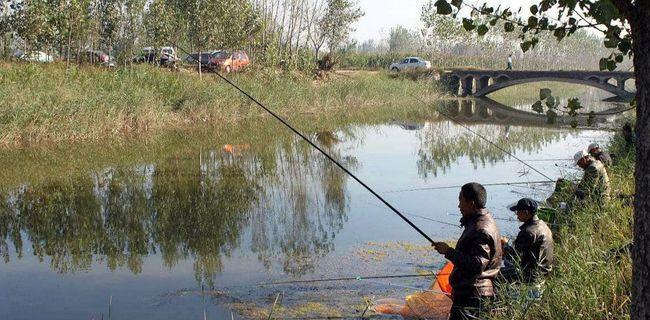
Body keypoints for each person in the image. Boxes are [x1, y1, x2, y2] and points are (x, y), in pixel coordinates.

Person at [433, 183, 502, 320]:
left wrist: (448, 251)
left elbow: (477, 265)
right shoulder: (481, 221)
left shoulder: (480, 229)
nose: (459, 206)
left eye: (461, 201)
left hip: (472, 297)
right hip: (474, 293)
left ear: (471, 203)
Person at [500, 198, 554, 284]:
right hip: (544, 271)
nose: (517, 215)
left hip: (531, 276)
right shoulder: (543, 224)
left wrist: (504, 244)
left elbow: (514, 257)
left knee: (495, 272)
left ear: (526, 213)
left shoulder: (528, 232)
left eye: (518, 212)